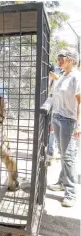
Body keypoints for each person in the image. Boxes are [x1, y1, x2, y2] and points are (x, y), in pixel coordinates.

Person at [47, 48, 81, 208]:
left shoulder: (76, 77)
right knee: (63, 154)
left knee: (68, 157)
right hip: (58, 119)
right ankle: (61, 182)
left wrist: (78, 125)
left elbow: (80, 102)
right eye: (58, 57)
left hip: (69, 121)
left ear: (71, 60)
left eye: (62, 57)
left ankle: (71, 193)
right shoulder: (63, 76)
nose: (59, 60)